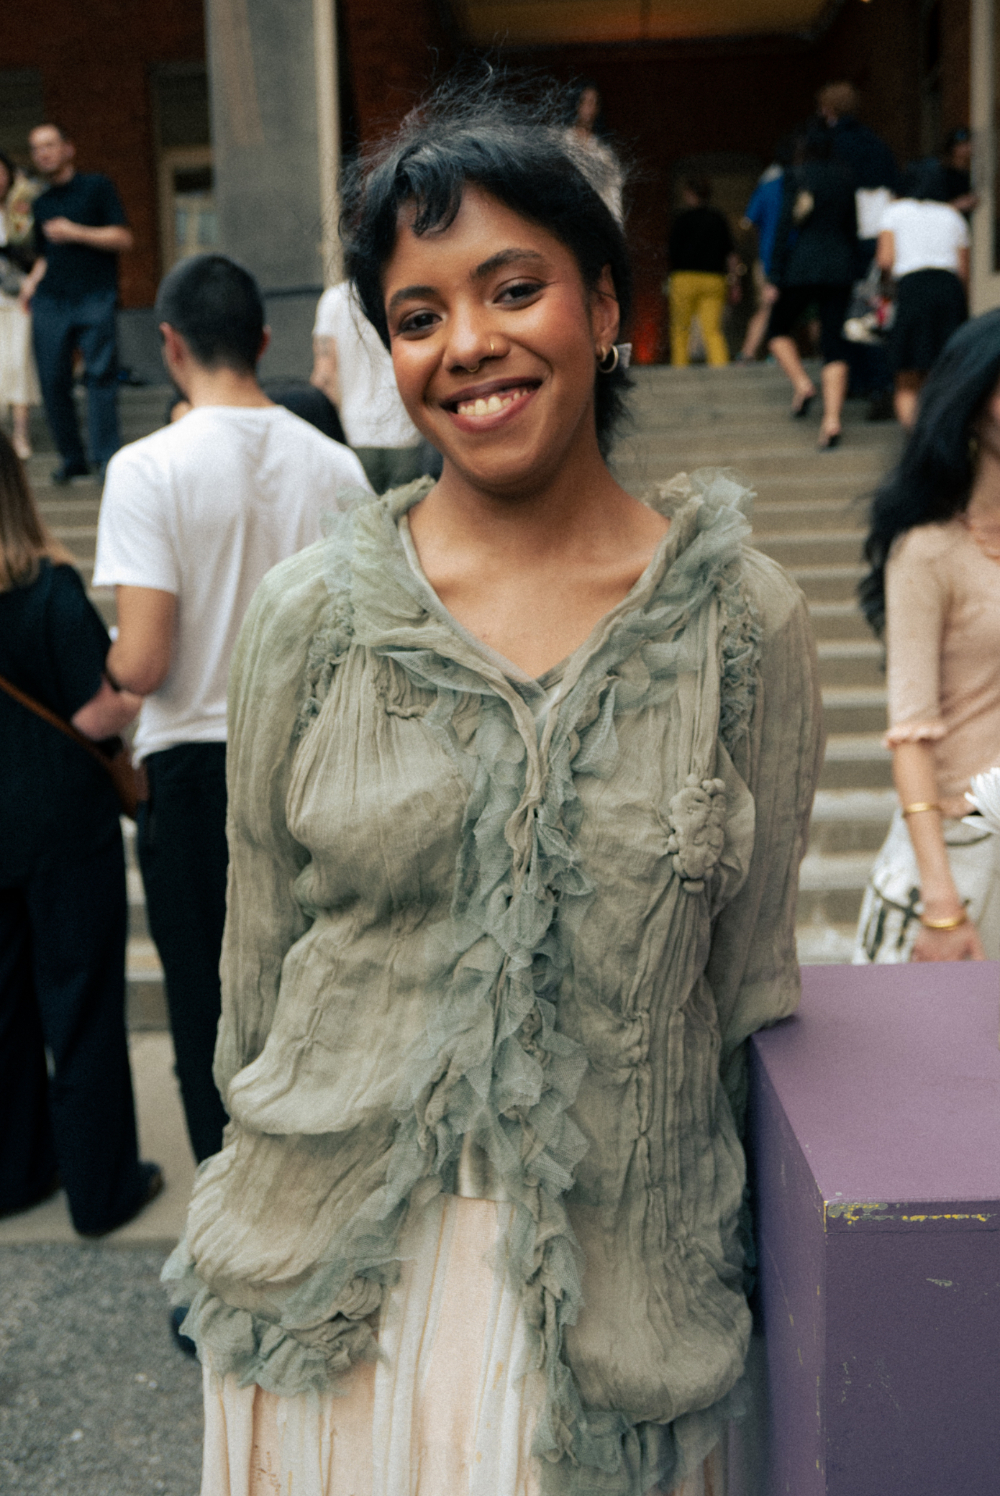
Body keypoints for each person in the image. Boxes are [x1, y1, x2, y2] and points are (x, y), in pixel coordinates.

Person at [163, 83, 822, 1496]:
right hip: (328, 1315)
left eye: (512, 288)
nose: (468, 345)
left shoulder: (742, 627)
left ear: (604, 304)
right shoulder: (310, 618)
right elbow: (257, 977)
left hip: (624, 1330)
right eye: (417, 315)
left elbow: (747, 993)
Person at [92, 254, 370, 1168]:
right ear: (263, 340)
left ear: (168, 343)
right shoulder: (337, 467)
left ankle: (225, 1235)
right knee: (314, 1005)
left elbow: (145, 658)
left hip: (195, 767)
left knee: (207, 1019)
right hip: (312, 764)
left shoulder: (146, 469)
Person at [0, 430, 162, 1235]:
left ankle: (19, 1171)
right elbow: (100, 709)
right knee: (84, 1005)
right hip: (63, 828)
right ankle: (103, 1191)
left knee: (4, 1011)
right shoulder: (49, 591)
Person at [855, 313, 1000, 964]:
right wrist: (940, 902)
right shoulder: (927, 552)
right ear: (973, 410)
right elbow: (911, 732)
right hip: (955, 858)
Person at [17, 123, 132, 484]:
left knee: (100, 376)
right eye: (37, 148)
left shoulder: (97, 187)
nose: (44, 153)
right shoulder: (39, 202)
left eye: (50, 145)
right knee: (52, 380)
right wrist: (31, 283)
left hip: (95, 296)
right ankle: (72, 459)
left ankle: (105, 457)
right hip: (51, 301)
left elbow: (124, 238)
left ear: (68, 148)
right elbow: (45, 255)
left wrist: (75, 231)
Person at [767, 131, 857, 448]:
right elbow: (852, 228)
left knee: (776, 328)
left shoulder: (796, 175)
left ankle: (803, 383)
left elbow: (782, 227)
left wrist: (774, 275)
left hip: (802, 267)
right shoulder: (846, 178)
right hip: (840, 267)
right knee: (833, 341)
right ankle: (831, 421)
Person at [876, 160, 969, 428]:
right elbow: (963, 271)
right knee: (943, 371)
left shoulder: (895, 212)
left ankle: (916, 440)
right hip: (949, 291)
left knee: (905, 376)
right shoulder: (953, 216)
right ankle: (939, 435)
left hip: (913, 290)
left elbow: (884, 260)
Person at [311, 280, 423, 491]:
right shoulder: (399, 290)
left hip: (353, 433)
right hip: (405, 431)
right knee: (405, 518)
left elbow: (325, 376)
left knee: (361, 518)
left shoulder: (334, 299)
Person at [667, 177, 740, 367]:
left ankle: (679, 371)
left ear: (689, 194)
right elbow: (730, 254)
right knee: (713, 330)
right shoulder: (718, 218)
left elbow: (670, 252)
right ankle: (721, 371)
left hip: (684, 278)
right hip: (714, 279)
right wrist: (734, 282)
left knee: (680, 329)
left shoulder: (681, 219)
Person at [737, 139, 794, 363]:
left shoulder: (767, 186)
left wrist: (759, 242)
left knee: (767, 306)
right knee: (801, 310)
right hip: (793, 258)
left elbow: (748, 222)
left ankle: (749, 352)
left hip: (767, 257)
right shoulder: (799, 184)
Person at [0, 152, 40, 460]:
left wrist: (31, 284)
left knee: (18, 363)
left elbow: (42, 252)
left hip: (18, 299)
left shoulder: (23, 210)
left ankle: (20, 434)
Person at [564, 79, 624, 223]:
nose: (588, 107)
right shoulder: (560, 142)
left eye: (593, 102)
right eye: (584, 101)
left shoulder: (604, 153)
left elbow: (613, 195)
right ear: (576, 104)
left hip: (595, 222)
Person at [940, 126, 977, 216]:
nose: (967, 148)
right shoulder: (940, 175)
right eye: (961, 145)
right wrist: (955, 205)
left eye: (968, 144)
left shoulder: (970, 174)